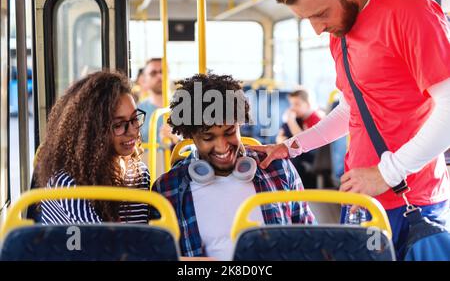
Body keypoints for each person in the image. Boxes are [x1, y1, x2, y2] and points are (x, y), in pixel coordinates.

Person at [250, 0, 450, 259]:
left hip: (412, 200)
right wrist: (291, 146)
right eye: (307, 20)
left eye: (320, 14)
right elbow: (351, 110)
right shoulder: (340, 29)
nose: (318, 29)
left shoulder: (408, 12)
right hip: (360, 194)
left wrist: (387, 172)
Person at [152, 73, 316, 260]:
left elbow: (308, 239)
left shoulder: (277, 169)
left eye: (230, 132)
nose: (222, 147)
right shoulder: (168, 190)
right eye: (208, 138)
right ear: (191, 136)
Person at [34, 71, 151, 224]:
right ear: (93, 131)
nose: (133, 131)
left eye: (135, 119)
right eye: (119, 124)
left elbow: (141, 237)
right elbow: (100, 244)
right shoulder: (66, 184)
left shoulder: (139, 173)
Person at [276, 88, 324, 188]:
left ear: (308, 104)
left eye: (297, 104)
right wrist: (280, 139)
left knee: (291, 160)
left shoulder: (315, 118)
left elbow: (304, 141)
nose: (293, 108)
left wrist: (291, 120)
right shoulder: (300, 118)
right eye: (292, 104)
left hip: (313, 156)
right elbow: (281, 134)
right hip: (301, 152)